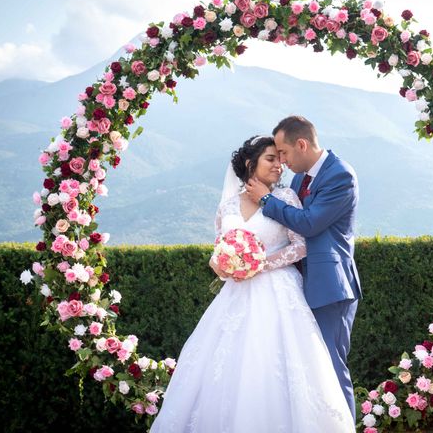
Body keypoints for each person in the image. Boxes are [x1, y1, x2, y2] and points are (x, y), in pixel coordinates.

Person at [150, 135, 355, 433]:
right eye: (271, 159)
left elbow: (301, 246)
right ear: (250, 164)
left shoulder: (285, 198)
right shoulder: (228, 207)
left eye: (280, 159)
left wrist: (260, 265)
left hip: (279, 292)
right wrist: (224, 265)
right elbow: (218, 251)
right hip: (236, 295)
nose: (279, 166)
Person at [246, 116, 362, 420]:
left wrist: (267, 201)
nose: (281, 162)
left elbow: (310, 224)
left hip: (330, 285)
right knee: (308, 371)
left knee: (331, 367)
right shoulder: (299, 180)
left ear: (301, 144)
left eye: (283, 153)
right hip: (298, 287)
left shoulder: (340, 175)